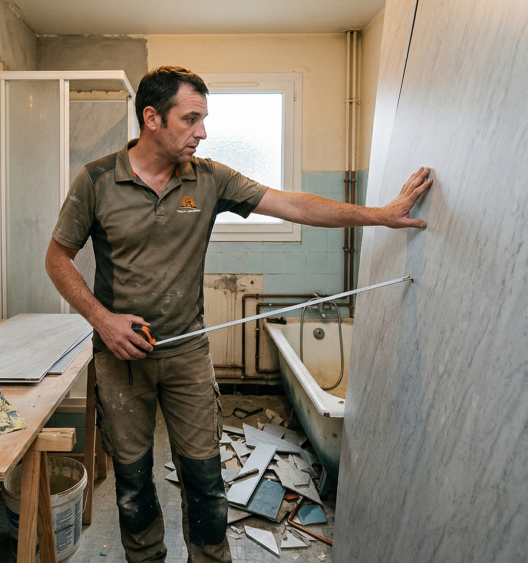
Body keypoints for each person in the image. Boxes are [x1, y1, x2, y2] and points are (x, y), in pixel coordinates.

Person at [45, 66, 430, 562]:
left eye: (203, 119)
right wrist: (103, 320)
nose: (202, 132)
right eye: (191, 119)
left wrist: (380, 215)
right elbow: (57, 259)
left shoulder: (209, 179)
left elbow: (294, 205)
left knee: (205, 481)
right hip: (121, 360)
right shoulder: (96, 180)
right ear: (152, 118)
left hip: (187, 355)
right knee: (133, 483)